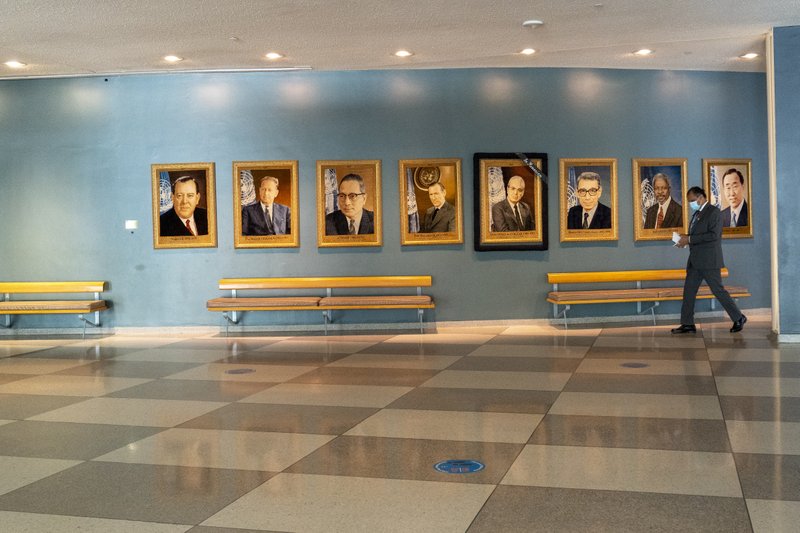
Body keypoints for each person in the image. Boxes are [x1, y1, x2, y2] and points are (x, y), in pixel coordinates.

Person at [672, 186, 746, 334]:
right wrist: (683, 239)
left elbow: (713, 235)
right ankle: (687, 324)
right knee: (689, 291)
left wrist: (690, 239)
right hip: (695, 261)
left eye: (692, 200)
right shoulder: (697, 213)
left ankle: (739, 317)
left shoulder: (714, 212)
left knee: (718, 290)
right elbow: (696, 235)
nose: (691, 204)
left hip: (709, 261)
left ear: (700, 197)